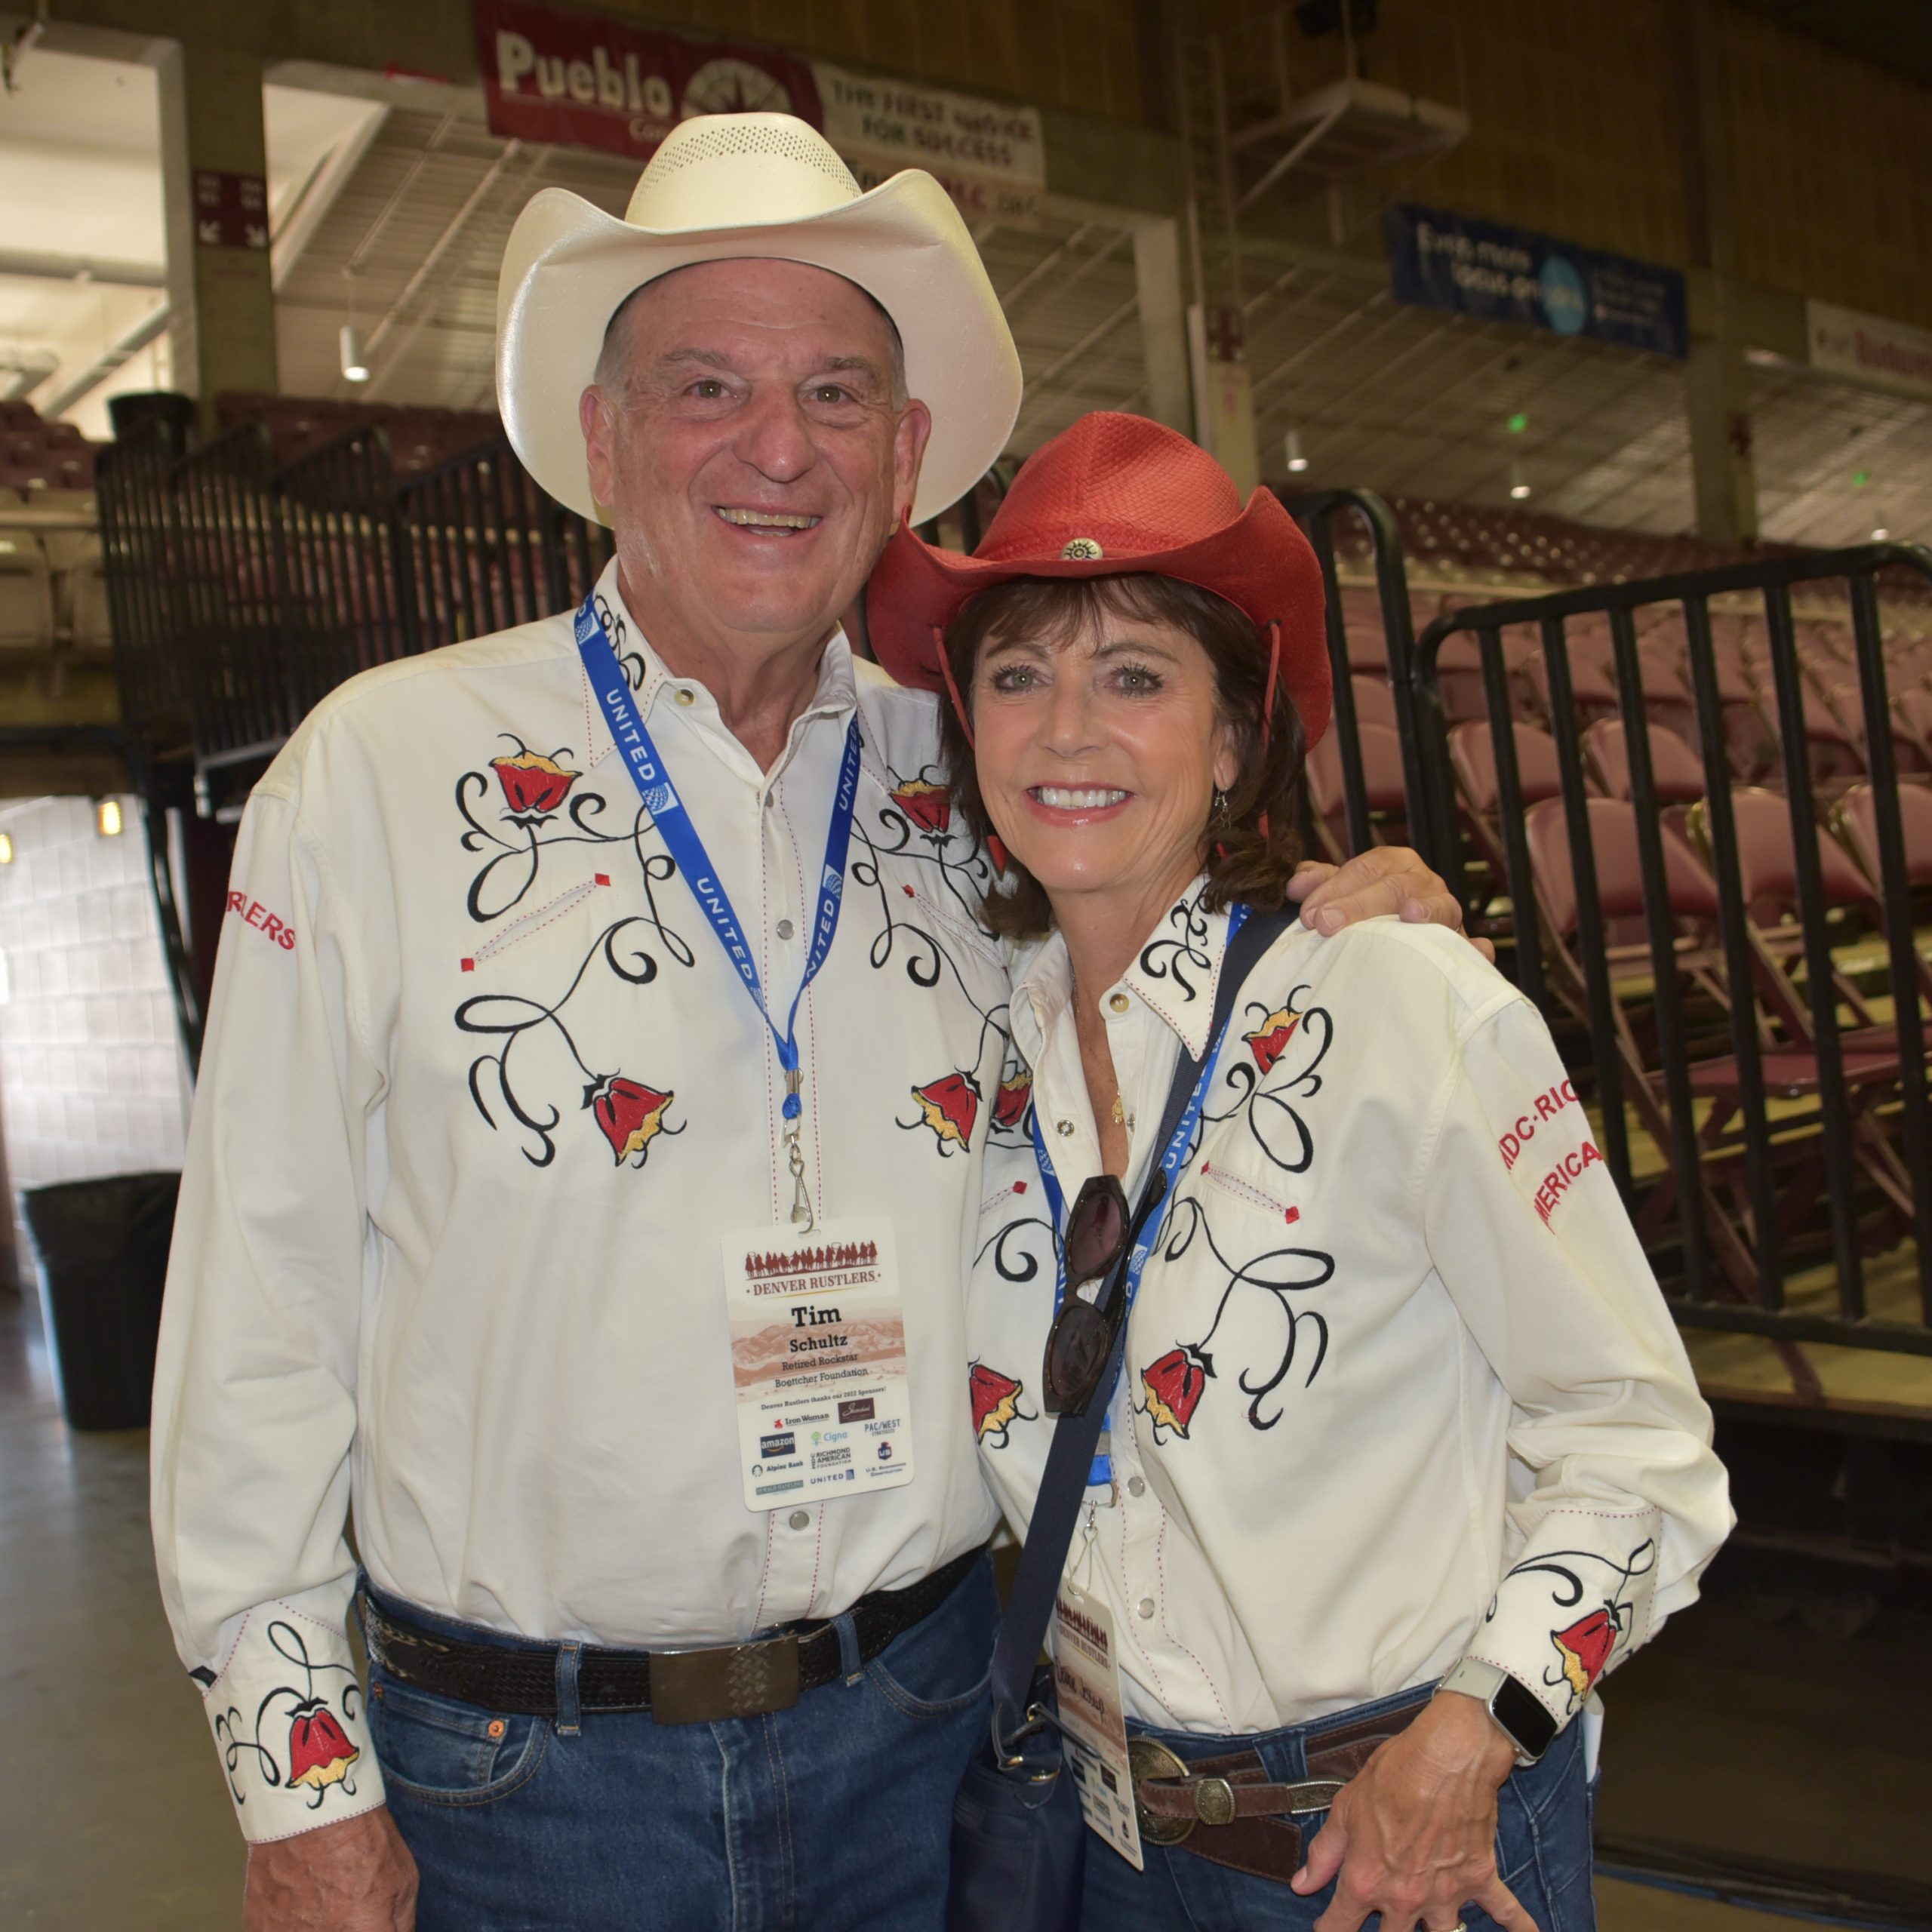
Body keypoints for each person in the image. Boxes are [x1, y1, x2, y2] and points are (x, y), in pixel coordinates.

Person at [151, 122, 1480, 1932]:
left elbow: (1185, 996)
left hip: (926, 1736)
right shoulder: (379, 776)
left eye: (836, 393)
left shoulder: (991, 773)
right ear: (606, 436)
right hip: (521, 1783)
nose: (776, 446)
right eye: (707, 384)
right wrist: (299, 1786)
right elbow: (258, 1316)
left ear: (907, 455)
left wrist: (1345, 919)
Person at [866, 410, 1733, 1932]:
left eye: (1132, 674)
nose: (1065, 726)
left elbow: (1638, 1442)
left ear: (1231, 736)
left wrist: (1483, 1722)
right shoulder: (965, 1041)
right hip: (1106, 1839)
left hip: (1398, 1840)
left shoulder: (1400, 999)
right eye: (1017, 673)